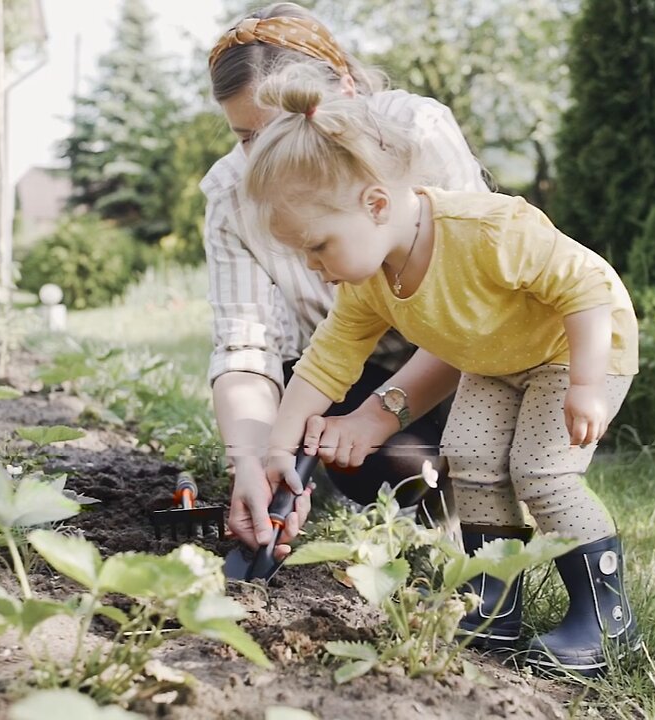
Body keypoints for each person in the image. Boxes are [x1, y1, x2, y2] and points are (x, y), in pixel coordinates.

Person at [243, 65, 644, 676]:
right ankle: (494, 604)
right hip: (499, 359)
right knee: (472, 460)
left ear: (375, 204)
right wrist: (278, 443)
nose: (313, 265)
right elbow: (327, 361)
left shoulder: (487, 230)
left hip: (574, 346)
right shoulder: (371, 280)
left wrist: (588, 384)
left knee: (543, 472)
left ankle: (607, 623)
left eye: (318, 245)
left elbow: (585, 286)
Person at [203, 2, 488, 558]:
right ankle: (419, 484)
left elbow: (483, 312)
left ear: (345, 94)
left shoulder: (419, 135)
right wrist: (258, 460)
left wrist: (377, 417)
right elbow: (247, 347)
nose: (268, 163)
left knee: (485, 447)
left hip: (463, 358)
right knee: (390, 471)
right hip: (349, 369)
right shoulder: (230, 196)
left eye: (280, 132)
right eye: (245, 138)